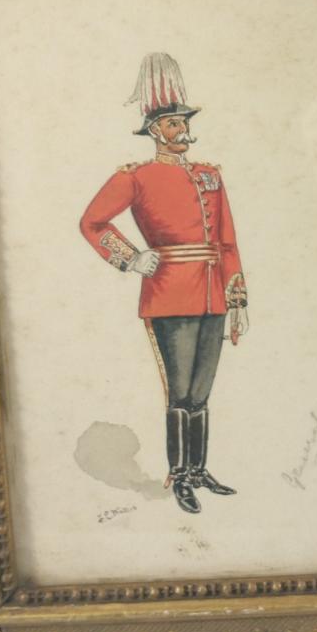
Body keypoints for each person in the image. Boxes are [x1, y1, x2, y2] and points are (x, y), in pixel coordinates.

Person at [80, 52, 249, 514]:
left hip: (214, 295)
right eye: (174, 123)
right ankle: (179, 474)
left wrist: (237, 299)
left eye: (184, 122)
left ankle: (199, 468)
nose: (183, 129)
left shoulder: (209, 175)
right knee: (179, 392)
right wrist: (131, 258)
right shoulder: (136, 177)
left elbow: (227, 241)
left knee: (203, 389)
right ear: (155, 130)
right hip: (169, 294)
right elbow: (92, 222)